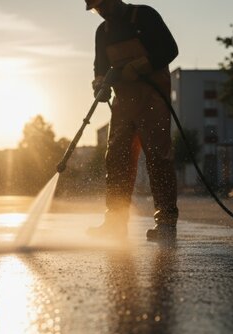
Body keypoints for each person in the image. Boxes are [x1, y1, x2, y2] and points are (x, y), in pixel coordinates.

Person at [84, 0, 179, 241]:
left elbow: (169, 49)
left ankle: (166, 222)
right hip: (124, 104)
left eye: (102, 6)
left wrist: (139, 66)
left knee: (158, 156)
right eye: (96, 9)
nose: (101, 12)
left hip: (153, 98)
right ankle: (115, 221)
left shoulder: (143, 16)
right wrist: (99, 85)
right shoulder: (102, 32)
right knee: (116, 158)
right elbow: (100, 68)